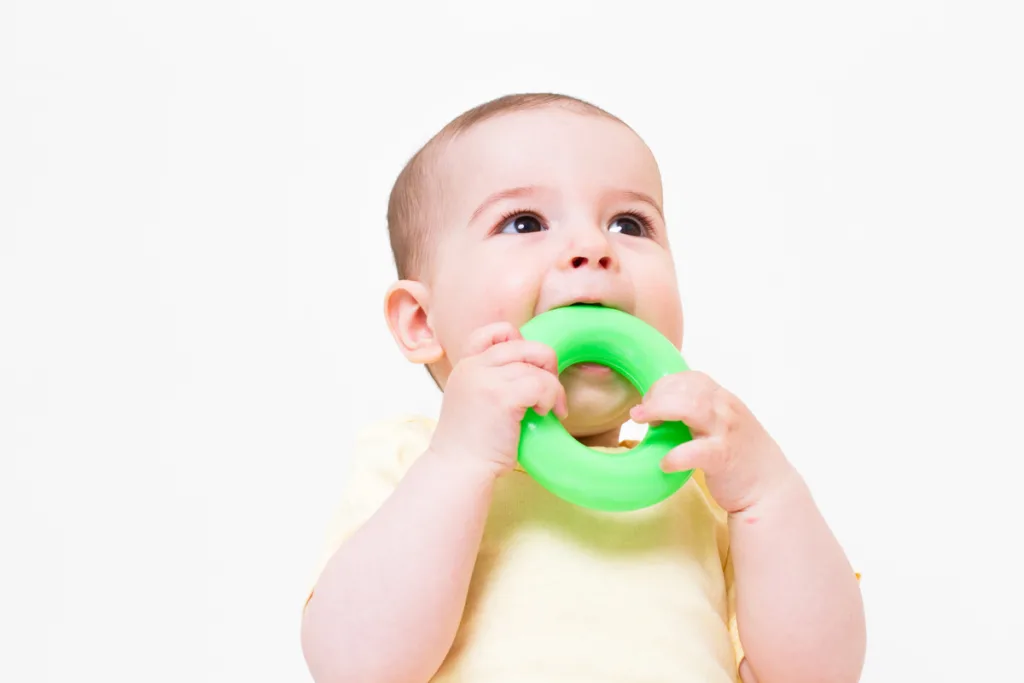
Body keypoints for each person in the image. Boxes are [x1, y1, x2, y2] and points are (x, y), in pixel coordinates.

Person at [300, 93, 865, 683]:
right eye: (525, 222)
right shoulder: (412, 464)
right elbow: (354, 667)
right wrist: (459, 461)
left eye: (630, 224)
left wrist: (766, 495)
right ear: (422, 322)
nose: (594, 250)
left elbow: (819, 674)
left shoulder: (701, 484)